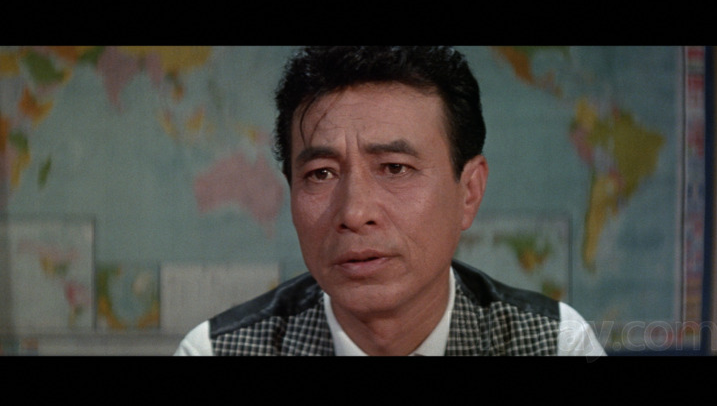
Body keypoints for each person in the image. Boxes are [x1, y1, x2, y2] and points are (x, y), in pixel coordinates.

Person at [174, 46, 605, 356]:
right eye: (321, 173)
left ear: (469, 191)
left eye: (395, 168)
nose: (354, 213)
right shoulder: (216, 351)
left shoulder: (555, 344)